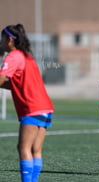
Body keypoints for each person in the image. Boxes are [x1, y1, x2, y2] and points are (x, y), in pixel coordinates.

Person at [0, 24, 54, 182]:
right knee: (35, 149)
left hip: (32, 107)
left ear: (9, 40)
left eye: (2, 39)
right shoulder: (26, 56)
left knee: (23, 148)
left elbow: (1, 79)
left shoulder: (14, 56)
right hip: (46, 107)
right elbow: (13, 84)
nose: (1, 42)